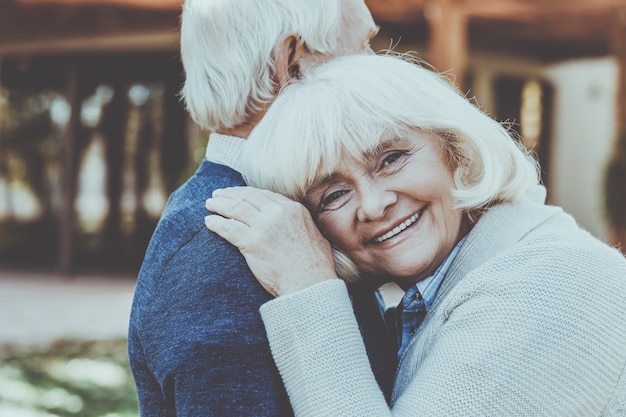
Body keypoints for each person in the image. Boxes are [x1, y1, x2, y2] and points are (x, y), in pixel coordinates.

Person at [204, 53, 626, 416]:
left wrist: (306, 284)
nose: (372, 205)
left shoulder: (550, 281)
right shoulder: (453, 287)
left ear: (455, 148)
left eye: (391, 159)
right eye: (333, 195)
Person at [128, 1, 398, 416]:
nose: (376, 67)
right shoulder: (221, 250)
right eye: (363, 45)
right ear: (292, 64)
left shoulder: (283, 210)